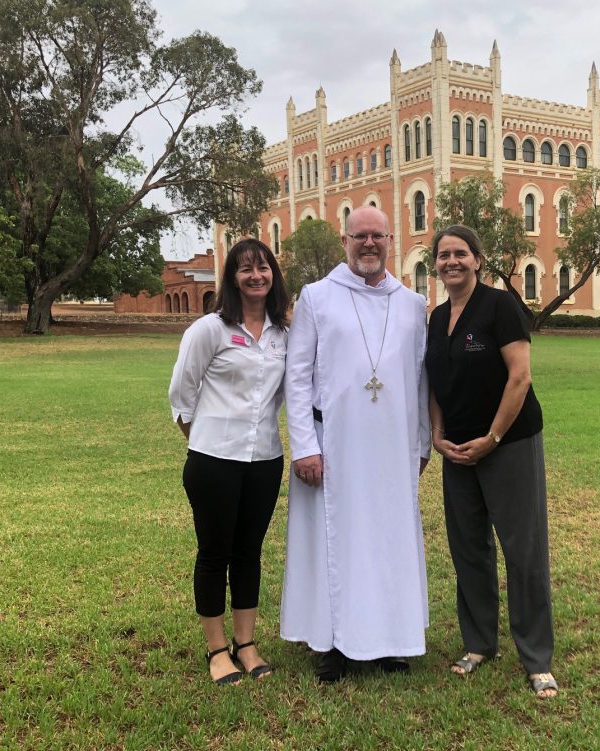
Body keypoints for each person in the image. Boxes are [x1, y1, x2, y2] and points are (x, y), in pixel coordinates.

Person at [281, 206, 431, 682]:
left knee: (389, 539)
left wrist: (422, 444)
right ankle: (334, 644)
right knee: (336, 540)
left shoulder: (411, 304)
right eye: (359, 236)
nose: (369, 244)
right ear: (344, 242)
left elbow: (421, 379)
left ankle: (391, 639)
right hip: (334, 445)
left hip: (392, 447)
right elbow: (297, 376)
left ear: (391, 240)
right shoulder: (317, 297)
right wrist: (304, 445)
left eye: (377, 236)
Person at [425, 224, 558, 698]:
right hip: (458, 450)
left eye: (461, 253)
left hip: (510, 443)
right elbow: (434, 384)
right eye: (443, 255)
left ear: (478, 260)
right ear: (435, 264)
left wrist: (493, 437)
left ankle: (537, 657)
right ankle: (479, 642)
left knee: (523, 551)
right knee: (468, 549)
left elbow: (519, 378)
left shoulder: (501, 307)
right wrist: (438, 435)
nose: (452, 262)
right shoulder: (436, 318)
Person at [168, 238, 290, 685]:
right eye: (245, 269)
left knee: (249, 554)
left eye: (263, 268)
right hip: (213, 460)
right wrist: (205, 441)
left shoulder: (283, 336)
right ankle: (217, 649)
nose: (256, 275)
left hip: (264, 460)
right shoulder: (209, 331)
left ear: (273, 276)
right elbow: (181, 397)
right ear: (232, 278)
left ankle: (247, 644)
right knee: (214, 553)